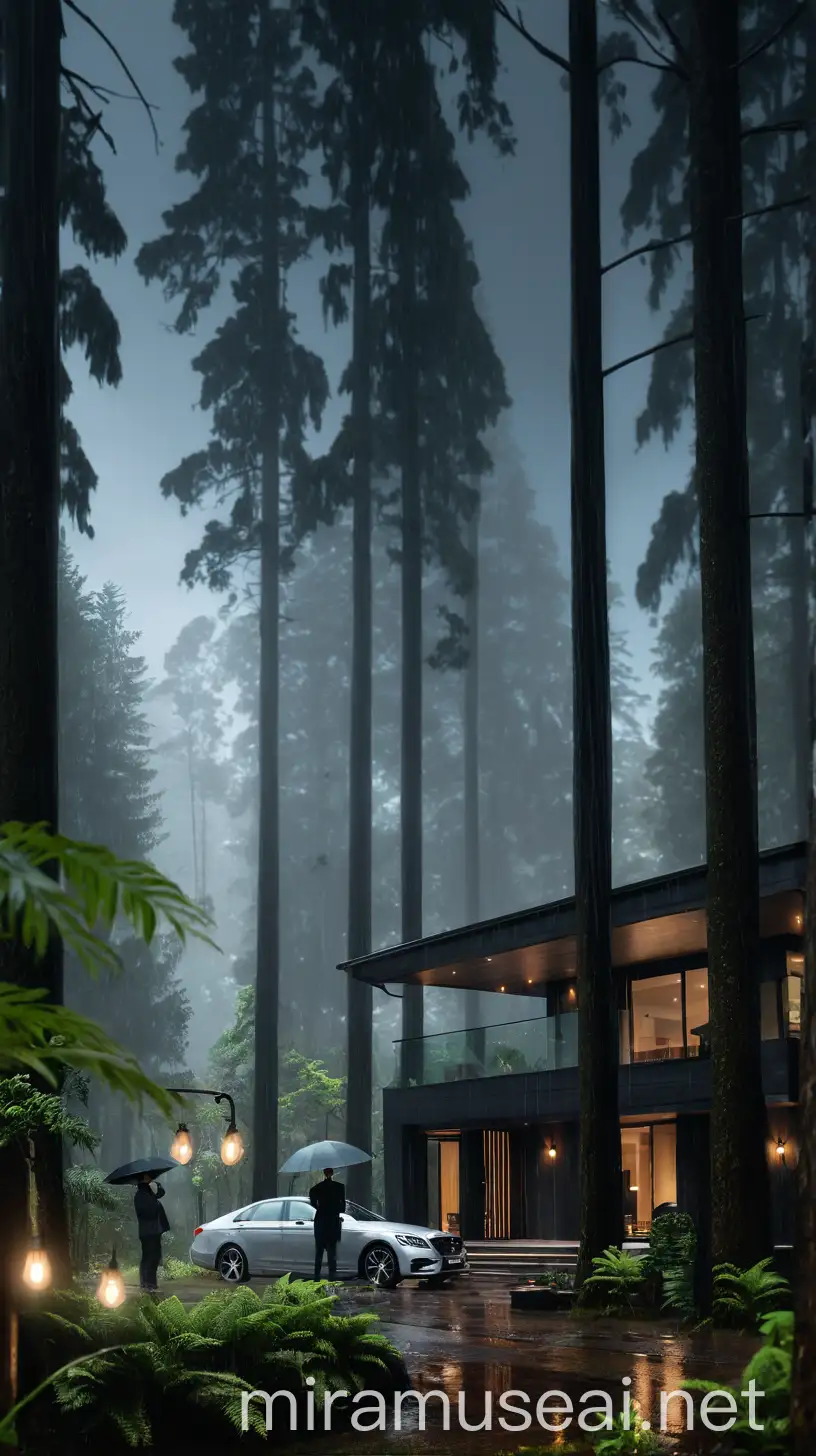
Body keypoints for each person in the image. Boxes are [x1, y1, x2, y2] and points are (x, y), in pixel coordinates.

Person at [134, 1173, 170, 1292]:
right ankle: (147, 1283)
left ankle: (151, 1283)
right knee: (149, 1257)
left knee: (154, 1257)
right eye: (148, 1176)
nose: (151, 1177)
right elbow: (149, 1211)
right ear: (143, 1179)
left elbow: (161, 1194)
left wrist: (158, 1186)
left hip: (154, 1231)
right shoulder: (140, 1195)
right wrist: (154, 1202)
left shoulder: (148, 1192)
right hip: (148, 1232)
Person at [309, 1167, 345, 1282]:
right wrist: (335, 1209)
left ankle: (316, 1277)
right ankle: (332, 1277)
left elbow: (312, 1200)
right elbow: (342, 1208)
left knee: (318, 1252)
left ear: (324, 1173)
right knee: (332, 1252)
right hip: (333, 1222)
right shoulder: (340, 1187)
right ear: (332, 1173)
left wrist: (319, 1207)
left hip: (320, 1222)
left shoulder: (317, 1188)